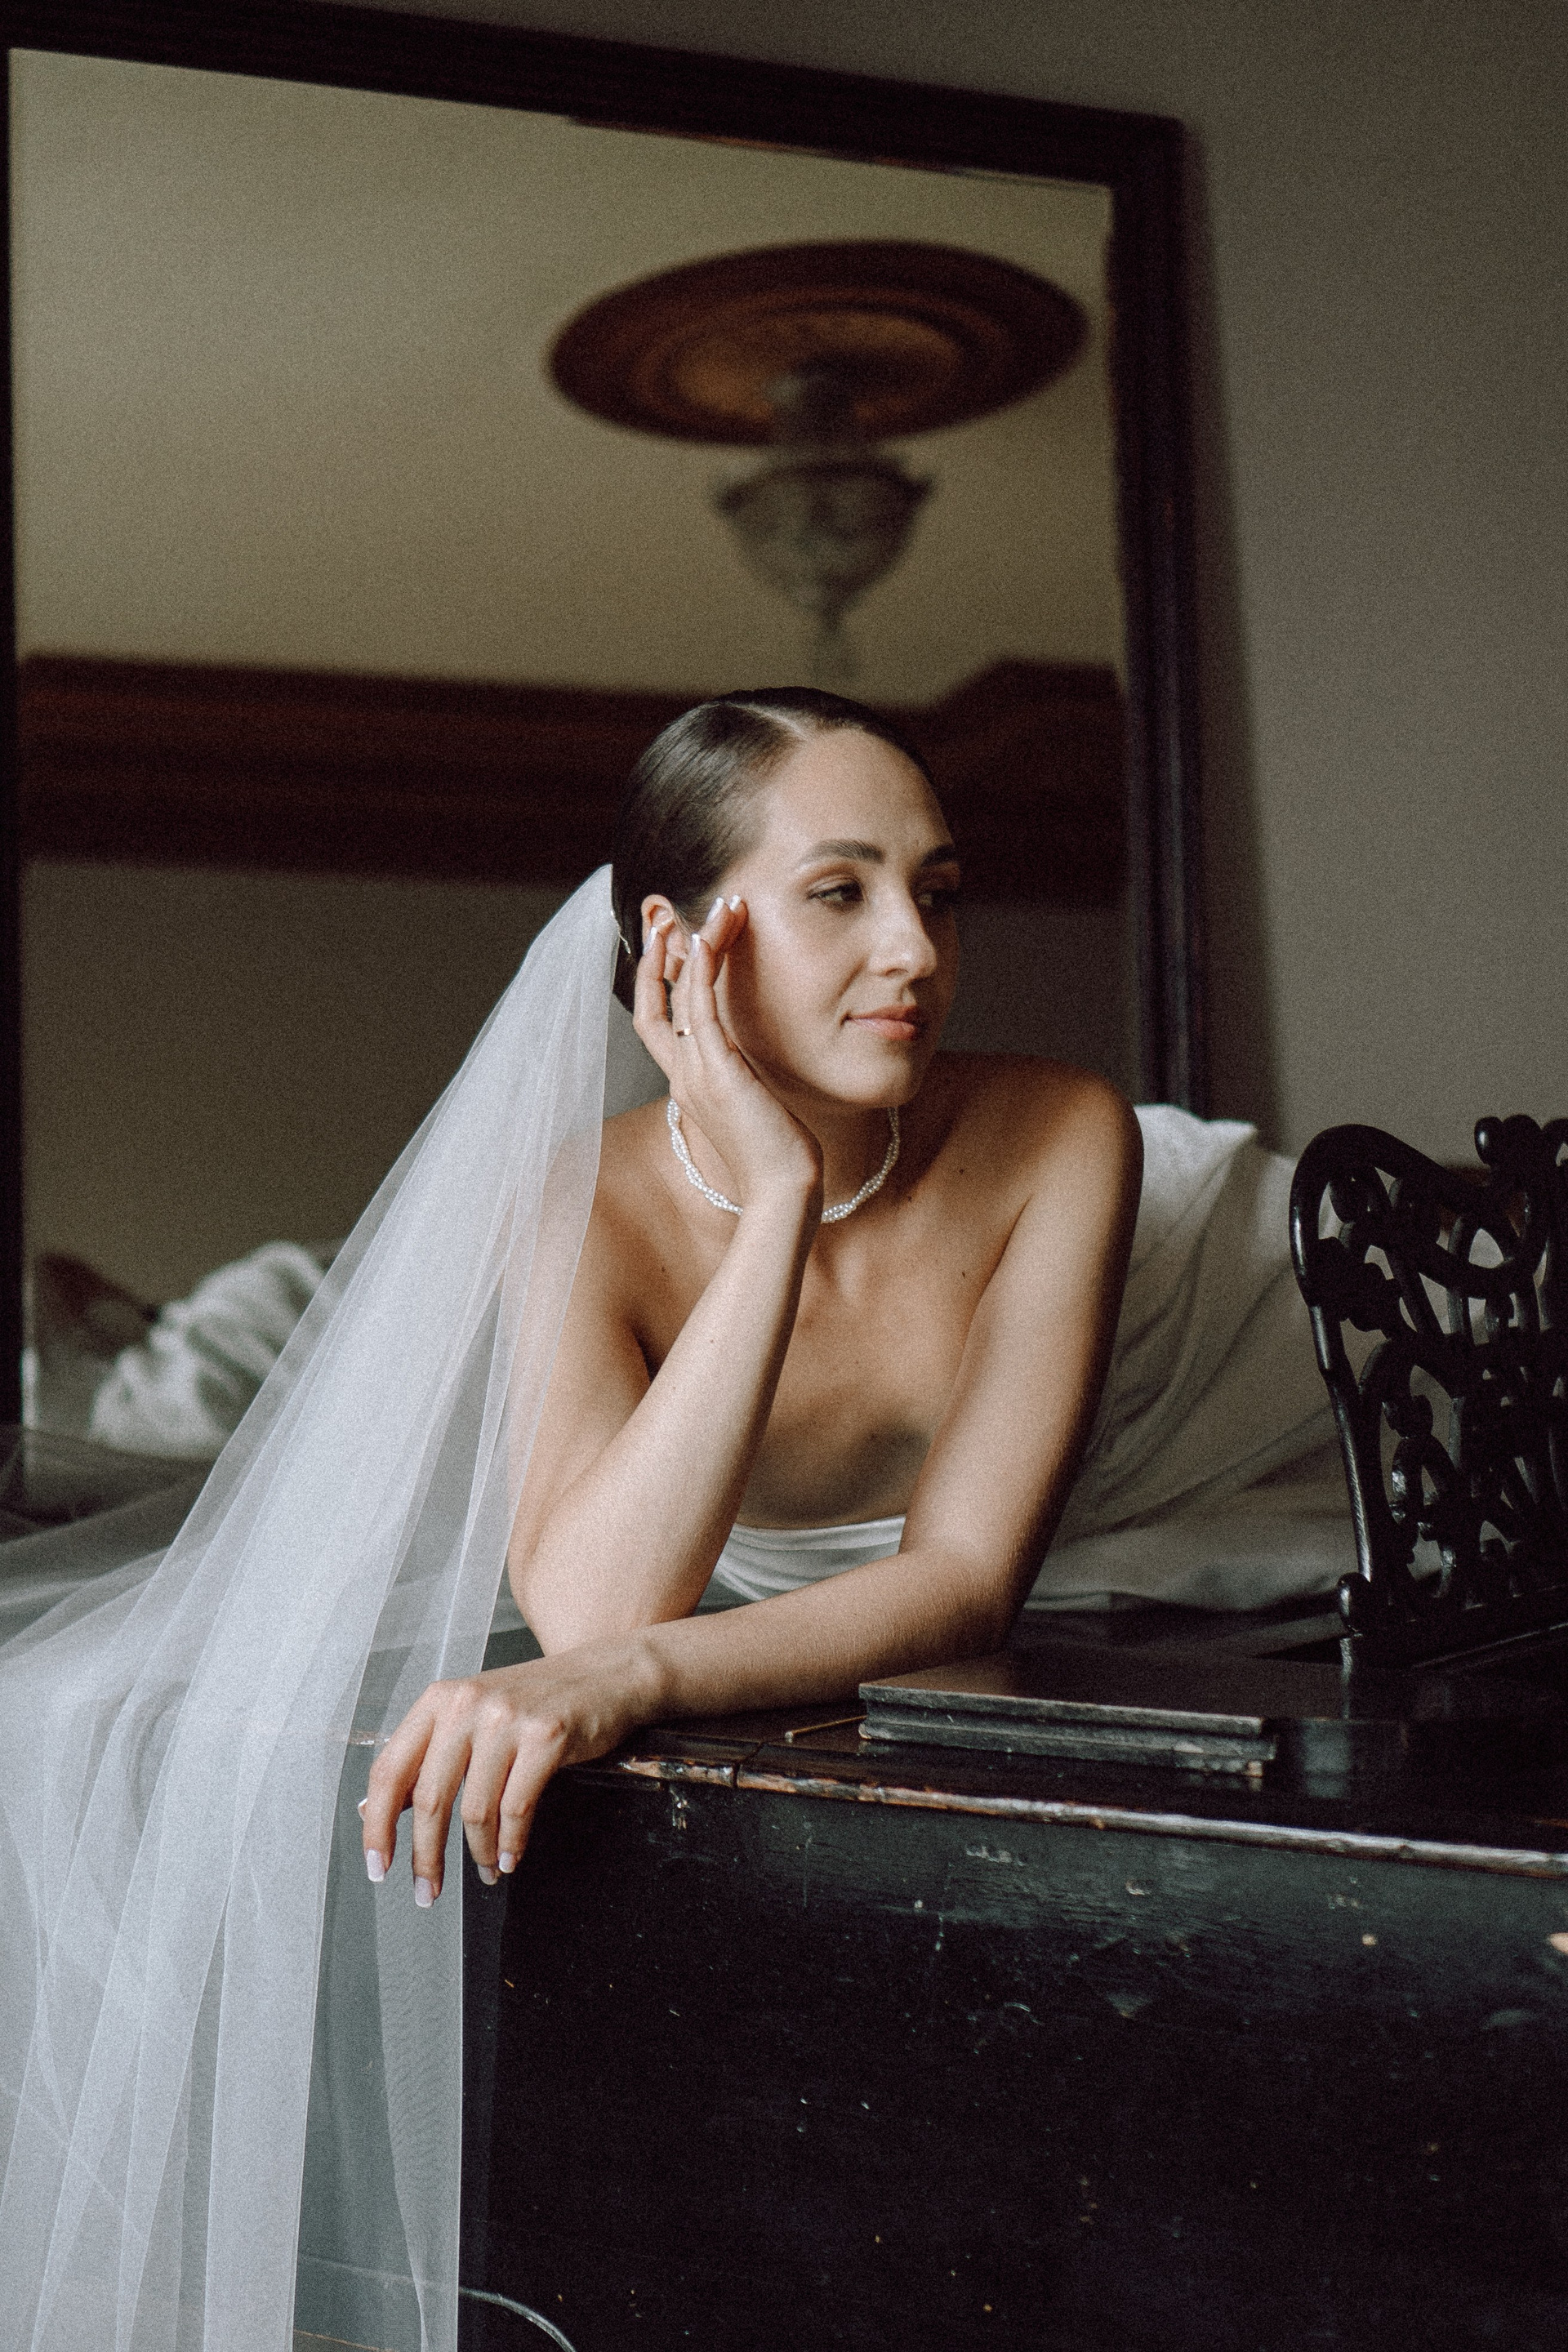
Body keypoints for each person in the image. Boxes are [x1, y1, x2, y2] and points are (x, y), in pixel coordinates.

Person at [0, 688, 1342, 2352]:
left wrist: (637, 1682)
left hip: (1229, 1399)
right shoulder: (576, 1201)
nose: (915, 950)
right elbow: (595, 1603)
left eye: (938, 890)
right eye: (841, 891)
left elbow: (960, 1578)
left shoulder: (1061, 1131)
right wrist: (775, 1197)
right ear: (678, 949)